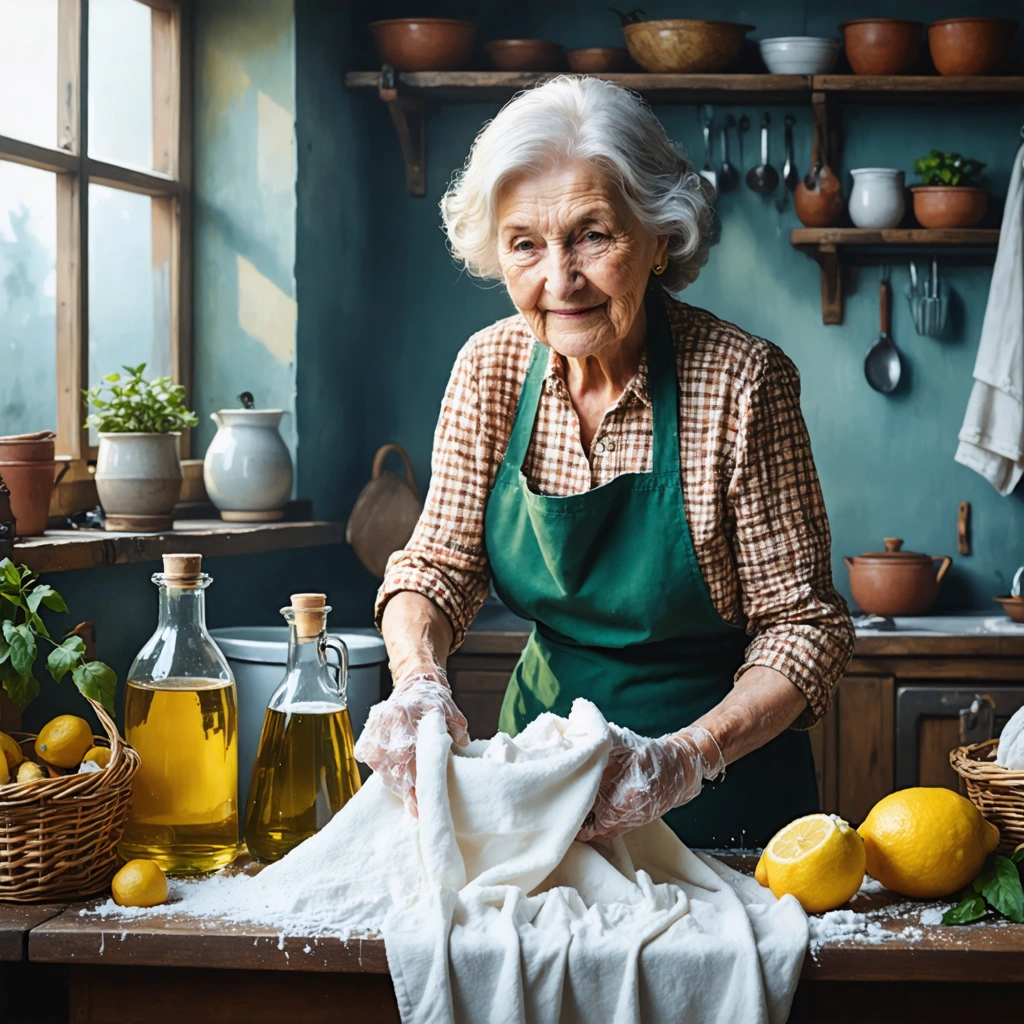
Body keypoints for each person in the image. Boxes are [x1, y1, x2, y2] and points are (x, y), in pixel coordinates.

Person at [355, 76, 854, 848]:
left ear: (659, 237)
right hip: (541, 792)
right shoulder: (488, 370)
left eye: (593, 235)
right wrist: (418, 679)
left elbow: (804, 627)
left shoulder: (741, 381)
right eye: (525, 244)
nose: (560, 280)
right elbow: (437, 568)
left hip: (722, 800)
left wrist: (684, 760)